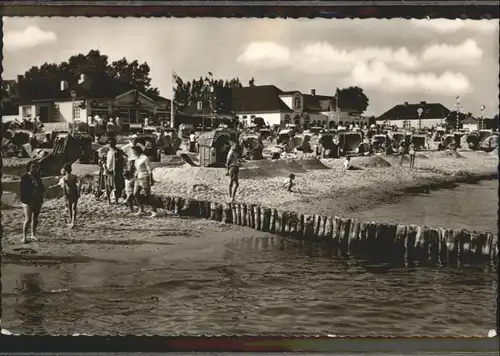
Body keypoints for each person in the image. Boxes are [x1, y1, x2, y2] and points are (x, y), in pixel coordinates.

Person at [19, 161, 45, 243]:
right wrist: (27, 200)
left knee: (35, 218)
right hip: (28, 200)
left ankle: (33, 235)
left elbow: (41, 186)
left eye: (36, 167)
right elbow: (22, 190)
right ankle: (24, 237)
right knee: (28, 219)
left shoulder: (37, 176)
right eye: (33, 167)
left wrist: (41, 194)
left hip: (37, 199)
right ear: (29, 167)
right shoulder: (25, 177)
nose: (35, 168)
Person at [52, 163, 81, 228]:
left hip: (68, 193)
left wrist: (65, 195)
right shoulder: (74, 177)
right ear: (71, 169)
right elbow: (79, 184)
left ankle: (71, 221)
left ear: (65, 170)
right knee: (74, 208)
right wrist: (79, 192)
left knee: (70, 208)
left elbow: (64, 187)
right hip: (75, 193)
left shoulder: (64, 178)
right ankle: (73, 221)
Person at [132, 145, 157, 217]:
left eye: (134, 152)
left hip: (144, 177)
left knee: (147, 195)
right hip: (138, 178)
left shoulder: (145, 158)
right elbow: (137, 168)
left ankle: (154, 211)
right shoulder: (137, 158)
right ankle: (141, 209)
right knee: (135, 194)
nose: (133, 153)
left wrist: (150, 179)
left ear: (137, 151)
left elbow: (149, 169)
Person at [105, 137, 126, 204]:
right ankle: (109, 200)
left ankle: (116, 200)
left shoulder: (118, 151)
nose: (110, 144)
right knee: (108, 186)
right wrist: (106, 168)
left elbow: (123, 160)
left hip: (116, 171)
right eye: (109, 143)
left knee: (116, 186)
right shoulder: (108, 152)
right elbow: (106, 161)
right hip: (108, 171)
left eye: (112, 143)